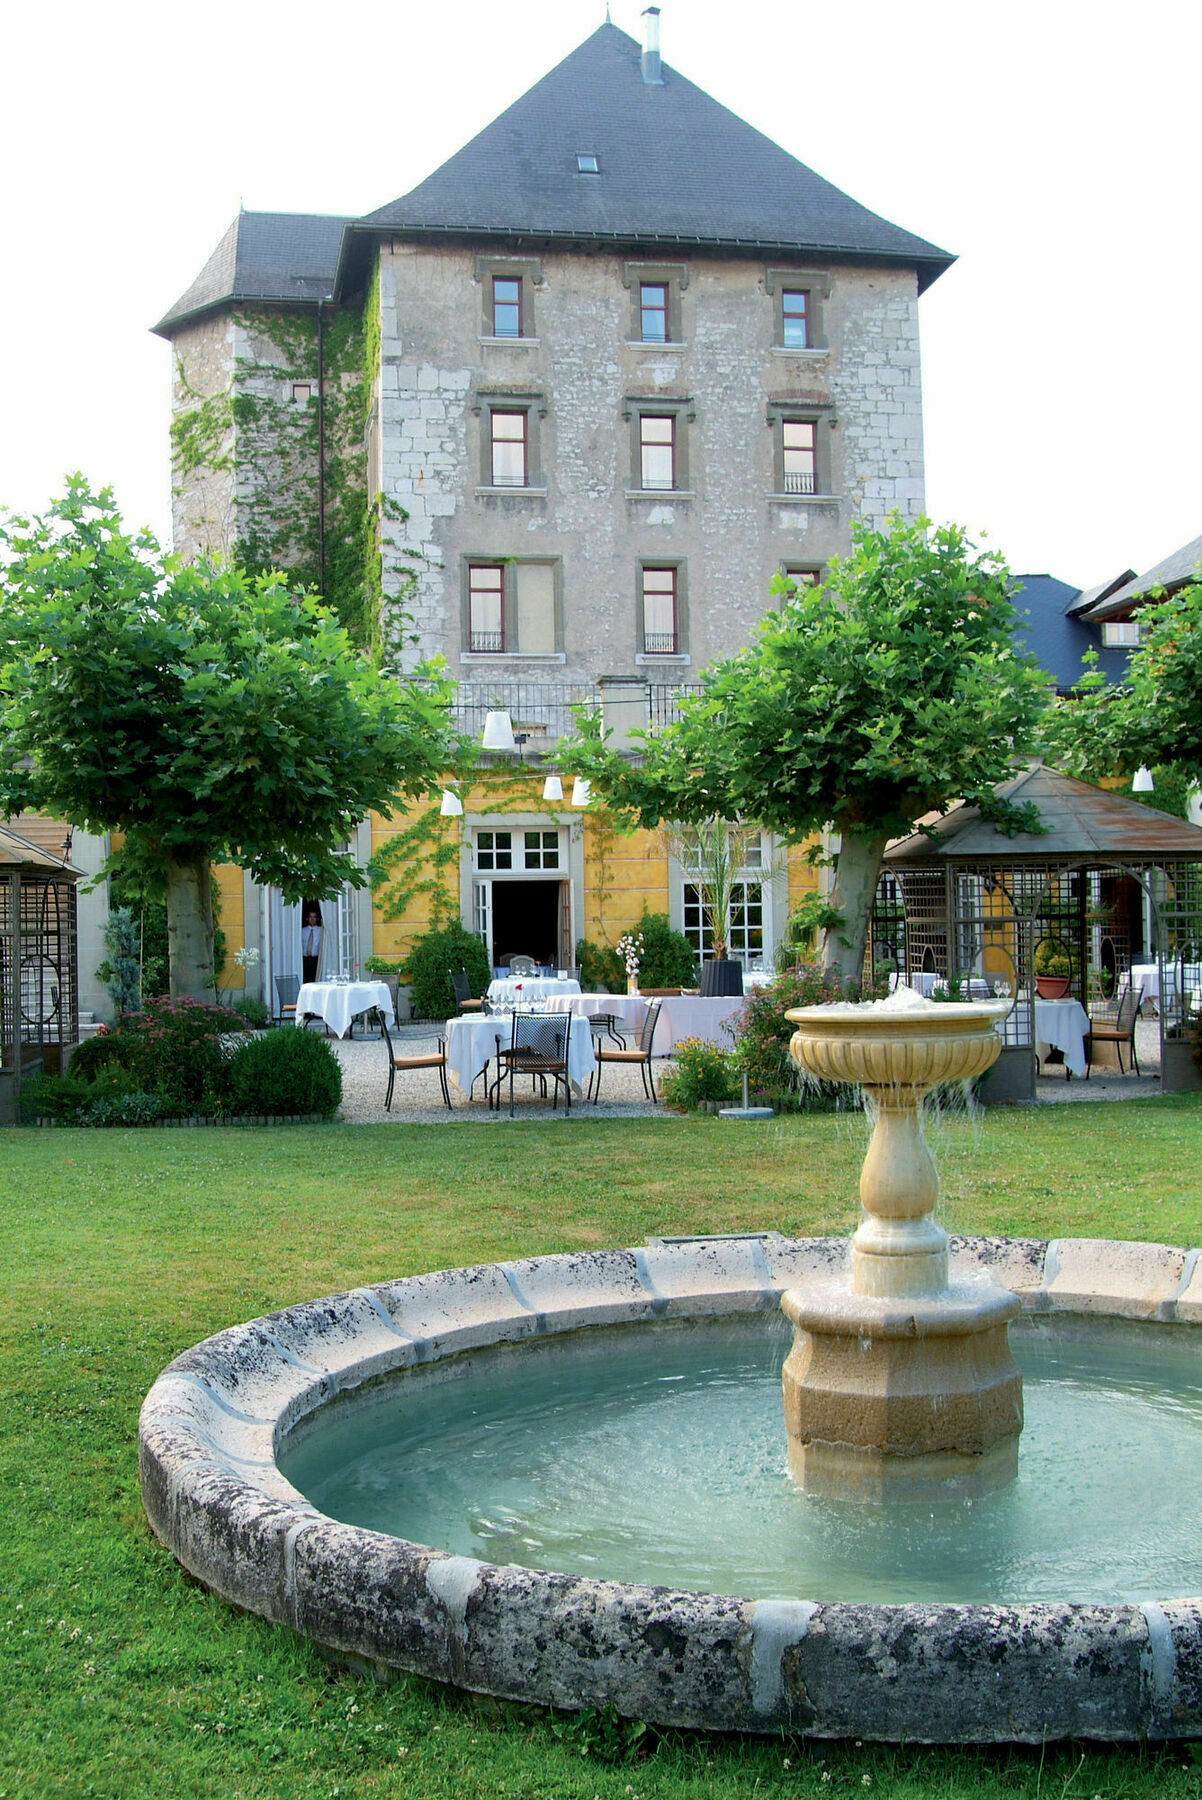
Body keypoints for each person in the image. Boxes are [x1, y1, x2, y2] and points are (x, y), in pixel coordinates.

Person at [301, 906, 323, 984]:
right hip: (304, 959)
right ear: (307, 918)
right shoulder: (302, 931)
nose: (312, 919)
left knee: (313, 979)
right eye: (310, 917)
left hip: (315, 959)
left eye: (314, 917)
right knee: (304, 979)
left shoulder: (321, 931)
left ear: (317, 919)